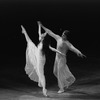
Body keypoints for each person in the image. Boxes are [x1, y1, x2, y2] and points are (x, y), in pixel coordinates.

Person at [21, 22, 66, 96]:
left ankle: (44, 89)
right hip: (37, 55)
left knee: (41, 74)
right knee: (30, 42)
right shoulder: (40, 40)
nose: (41, 34)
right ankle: (24, 32)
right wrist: (39, 26)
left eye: (42, 34)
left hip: (40, 60)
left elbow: (53, 49)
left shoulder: (45, 44)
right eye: (42, 34)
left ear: (44, 37)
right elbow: (38, 32)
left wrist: (60, 53)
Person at [39, 22, 85, 93]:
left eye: (64, 34)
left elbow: (74, 48)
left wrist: (79, 53)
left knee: (60, 73)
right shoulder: (58, 38)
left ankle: (61, 88)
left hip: (62, 59)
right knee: (55, 72)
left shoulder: (67, 44)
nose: (62, 34)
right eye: (63, 33)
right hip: (57, 58)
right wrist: (42, 26)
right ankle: (65, 82)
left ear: (67, 36)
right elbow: (50, 32)